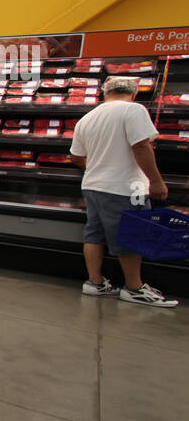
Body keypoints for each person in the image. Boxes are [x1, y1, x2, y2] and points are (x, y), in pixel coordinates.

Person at [70, 76, 177, 307]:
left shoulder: (87, 118)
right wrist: (156, 181)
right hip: (126, 187)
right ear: (135, 93)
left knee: (94, 234)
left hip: (93, 185)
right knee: (132, 235)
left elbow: (77, 156)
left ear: (104, 92)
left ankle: (94, 283)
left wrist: (100, 167)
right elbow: (141, 146)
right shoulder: (133, 110)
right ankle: (134, 288)